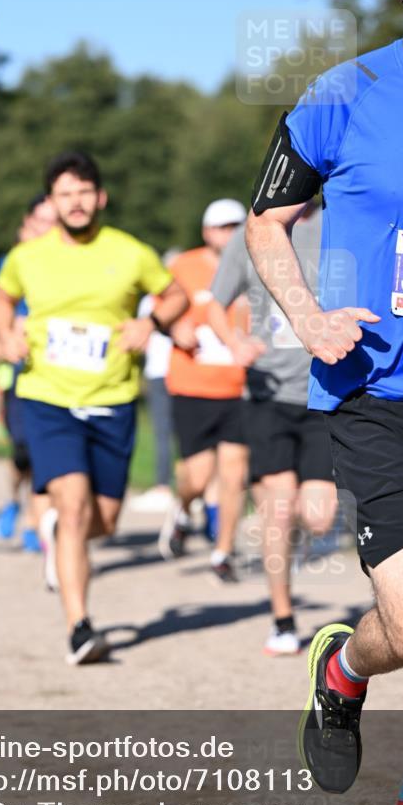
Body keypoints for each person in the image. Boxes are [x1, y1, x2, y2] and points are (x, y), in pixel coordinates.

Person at [245, 0, 403, 805]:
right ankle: (344, 664)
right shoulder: (342, 94)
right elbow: (266, 218)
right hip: (377, 393)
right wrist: (307, 316)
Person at [0, 151, 187, 664]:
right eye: (64, 194)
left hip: (112, 400)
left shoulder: (130, 252)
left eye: (83, 192)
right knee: (74, 506)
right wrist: (4, 332)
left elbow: (175, 295)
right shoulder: (27, 257)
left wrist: (151, 324)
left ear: (100, 197)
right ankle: (80, 627)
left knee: (103, 520)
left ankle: (61, 532)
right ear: (51, 202)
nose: (75, 203)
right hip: (47, 397)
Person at [207, 200, 337, 655]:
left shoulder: (339, 224)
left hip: (326, 393)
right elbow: (215, 308)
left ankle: (294, 541)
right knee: (279, 511)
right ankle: (283, 619)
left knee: (319, 516)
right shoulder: (254, 232)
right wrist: (234, 340)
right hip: (268, 395)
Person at [158, 199, 249, 583]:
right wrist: (173, 329)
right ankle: (183, 509)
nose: (228, 234)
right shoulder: (183, 266)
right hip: (192, 384)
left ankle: (223, 551)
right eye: (221, 227)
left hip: (240, 387)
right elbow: (158, 312)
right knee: (197, 476)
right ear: (206, 232)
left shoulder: (256, 264)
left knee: (234, 474)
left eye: (236, 226)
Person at [0, 195, 57, 551]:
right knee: (22, 450)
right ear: (27, 224)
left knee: (47, 446)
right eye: (40, 221)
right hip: (17, 371)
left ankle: (36, 518)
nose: (46, 229)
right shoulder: (12, 262)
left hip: (56, 369)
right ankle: (14, 499)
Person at [127, 247, 182, 514]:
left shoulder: (161, 300)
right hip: (161, 372)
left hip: (173, 372)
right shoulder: (153, 300)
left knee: (173, 434)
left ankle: (172, 489)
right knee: (166, 433)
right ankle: (168, 487)